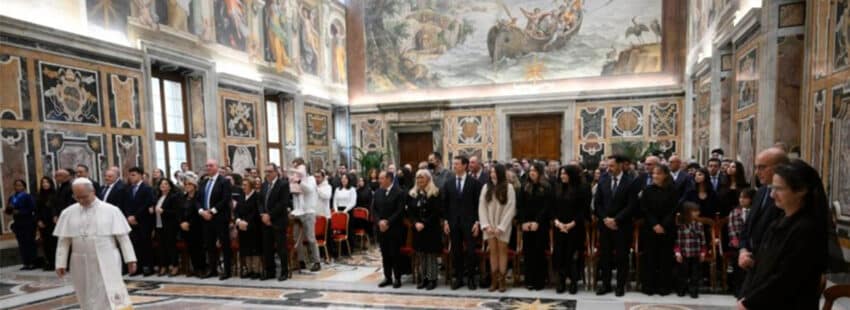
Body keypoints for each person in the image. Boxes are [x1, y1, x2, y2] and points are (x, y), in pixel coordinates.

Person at [737, 160, 829, 309]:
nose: (772, 195)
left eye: (779, 189)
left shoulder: (807, 229)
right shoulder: (780, 220)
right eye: (772, 188)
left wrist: (750, 303)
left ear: (801, 191)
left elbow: (787, 279)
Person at [54, 178, 136, 309]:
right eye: (77, 197)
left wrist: (130, 260)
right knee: (84, 292)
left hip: (107, 257)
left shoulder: (111, 210)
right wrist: (60, 263)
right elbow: (63, 241)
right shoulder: (67, 212)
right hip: (79, 261)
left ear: (93, 192)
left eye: (84, 197)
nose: (81, 201)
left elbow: (123, 238)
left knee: (107, 292)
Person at [738, 148, 789, 272]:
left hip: (773, 265)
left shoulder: (787, 197)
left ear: (779, 167)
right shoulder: (761, 192)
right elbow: (748, 225)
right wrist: (743, 250)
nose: (757, 172)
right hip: (751, 261)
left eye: (762, 167)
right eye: (756, 167)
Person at [594, 155, 636, 297]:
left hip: (622, 226)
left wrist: (616, 220)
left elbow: (631, 205)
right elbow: (597, 204)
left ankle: (620, 286)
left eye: (611, 166)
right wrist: (606, 219)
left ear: (619, 165)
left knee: (621, 257)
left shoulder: (630, 182)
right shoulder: (603, 180)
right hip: (605, 226)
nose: (608, 168)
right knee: (605, 257)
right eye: (608, 165)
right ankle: (606, 285)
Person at [441, 155, 483, 290]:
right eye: (454, 164)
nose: (454, 166)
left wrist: (477, 222)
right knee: (456, 251)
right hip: (453, 223)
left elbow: (478, 204)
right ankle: (458, 278)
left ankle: (471, 278)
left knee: (471, 251)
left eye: (457, 164)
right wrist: (446, 221)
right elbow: (445, 205)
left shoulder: (475, 183)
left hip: (470, 223)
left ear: (465, 166)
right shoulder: (449, 183)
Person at [639, 164, 678, 296]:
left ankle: (664, 287)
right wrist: (655, 224)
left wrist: (663, 225)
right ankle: (648, 287)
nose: (655, 176)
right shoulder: (647, 190)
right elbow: (645, 209)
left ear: (665, 175)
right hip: (650, 228)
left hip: (667, 229)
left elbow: (673, 210)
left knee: (665, 258)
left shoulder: (673, 190)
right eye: (654, 173)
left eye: (658, 173)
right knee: (649, 257)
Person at [551, 165, 589, 294]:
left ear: (571, 175)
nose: (562, 176)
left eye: (565, 174)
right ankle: (561, 281)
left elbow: (583, 209)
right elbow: (552, 208)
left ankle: (573, 281)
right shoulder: (557, 188)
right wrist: (557, 222)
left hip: (575, 228)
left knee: (572, 255)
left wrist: (572, 224)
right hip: (559, 227)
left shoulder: (581, 189)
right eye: (561, 174)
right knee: (560, 254)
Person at [479, 164, 516, 292]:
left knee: (502, 251)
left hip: (502, 226)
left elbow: (510, 208)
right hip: (489, 225)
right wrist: (486, 225)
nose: (492, 174)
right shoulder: (485, 187)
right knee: (492, 252)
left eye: (494, 172)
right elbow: (482, 207)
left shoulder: (509, 187)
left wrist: (501, 227)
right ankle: (494, 280)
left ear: (500, 173)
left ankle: (502, 280)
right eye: (491, 172)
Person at [517, 162, 551, 291]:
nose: (532, 173)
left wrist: (537, 222)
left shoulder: (546, 187)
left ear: (540, 173)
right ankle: (529, 280)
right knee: (528, 253)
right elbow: (520, 206)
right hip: (527, 225)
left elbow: (546, 207)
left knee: (539, 253)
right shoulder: (524, 186)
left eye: (534, 171)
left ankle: (539, 281)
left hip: (540, 225)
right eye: (530, 170)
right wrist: (524, 222)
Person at [197, 159, 233, 280]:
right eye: (207, 166)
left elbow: (225, 199)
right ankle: (213, 269)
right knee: (209, 245)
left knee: (224, 244)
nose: (208, 168)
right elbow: (197, 200)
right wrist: (202, 211)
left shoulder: (224, 181)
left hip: (219, 217)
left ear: (217, 167)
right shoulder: (203, 182)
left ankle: (227, 271)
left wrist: (212, 211)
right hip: (205, 218)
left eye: (211, 166)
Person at [408, 169, 443, 290]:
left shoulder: (435, 193)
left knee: (431, 255)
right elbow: (410, 211)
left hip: (431, 228)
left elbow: (436, 212)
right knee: (421, 254)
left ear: (428, 179)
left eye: (422, 177)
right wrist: (416, 222)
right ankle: (424, 278)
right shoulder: (413, 193)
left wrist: (424, 223)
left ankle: (432, 279)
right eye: (418, 177)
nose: (419, 180)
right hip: (418, 229)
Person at [260, 163, 292, 281]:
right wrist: (263, 214)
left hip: (278, 221)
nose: (267, 174)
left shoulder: (283, 184)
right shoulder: (264, 185)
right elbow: (260, 202)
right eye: (266, 171)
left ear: (275, 172)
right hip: (265, 221)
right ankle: (270, 271)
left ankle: (284, 272)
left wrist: (270, 215)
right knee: (267, 248)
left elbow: (283, 203)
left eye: (269, 171)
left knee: (281, 248)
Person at [374, 171, 406, 288]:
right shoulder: (378, 192)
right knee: (385, 254)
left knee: (395, 254)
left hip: (394, 228)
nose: (379, 181)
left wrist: (387, 222)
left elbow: (400, 211)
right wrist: (379, 221)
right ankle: (387, 277)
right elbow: (374, 210)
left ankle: (397, 278)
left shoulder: (399, 192)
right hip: (381, 229)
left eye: (381, 178)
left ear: (388, 179)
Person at [290, 159, 321, 272]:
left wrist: (299, 182)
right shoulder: (295, 179)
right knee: (296, 237)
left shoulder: (311, 179)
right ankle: (301, 261)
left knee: (310, 238)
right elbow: (294, 196)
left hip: (308, 211)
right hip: (298, 211)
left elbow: (308, 190)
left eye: (297, 167)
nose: (296, 170)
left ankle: (316, 261)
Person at [125, 167, 155, 276]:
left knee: (145, 244)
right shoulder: (128, 189)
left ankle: (148, 267)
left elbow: (147, 204)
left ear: (140, 175)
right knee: (135, 245)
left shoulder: (147, 188)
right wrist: (129, 216)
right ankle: (138, 267)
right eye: (130, 175)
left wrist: (135, 216)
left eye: (133, 175)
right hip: (131, 222)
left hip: (143, 221)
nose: (131, 177)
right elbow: (126, 204)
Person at [728, 188, 756, 297]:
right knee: (737, 267)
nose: (741, 200)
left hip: (752, 244)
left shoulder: (755, 211)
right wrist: (739, 245)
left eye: (745, 198)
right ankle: (737, 290)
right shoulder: (735, 212)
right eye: (740, 197)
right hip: (737, 245)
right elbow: (732, 230)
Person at [675, 202, 707, 298]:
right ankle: (681, 289)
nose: (697, 213)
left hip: (696, 253)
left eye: (697, 211)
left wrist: (703, 253)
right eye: (694, 211)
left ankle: (694, 291)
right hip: (684, 253)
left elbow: (703, 240)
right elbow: (677, 241)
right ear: (687, 212)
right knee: (682, 273)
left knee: (695, 274)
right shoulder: (681, 225)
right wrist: (677, 253)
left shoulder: (699, 225)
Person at [179, 173, 206, 277]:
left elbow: (197, 213)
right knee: (190, 248)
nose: (187, 186)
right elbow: (179, 212)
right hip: (185, 228)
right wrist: (181, 222)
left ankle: (201, 269)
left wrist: (189, 223)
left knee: (199, 249)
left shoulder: (199, 196)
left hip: (197, 226)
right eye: (186, 184)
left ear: (194, 186)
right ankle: (194, 268)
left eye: (190, 184)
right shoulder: (183, 197)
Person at [6, 180, 37, 270]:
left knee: (29, 242)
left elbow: (33, 209)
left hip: (28, 222)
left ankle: (32, 263)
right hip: (18, 223)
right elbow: (9, 211)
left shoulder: (27, 197)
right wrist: (9, 209)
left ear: (24, 187)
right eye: (16, 185)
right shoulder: (12, 197)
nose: (17, 187)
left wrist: (20, 212)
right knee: (22, 243)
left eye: (20, 185)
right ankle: (25, 263)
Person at [235, 178, 263, 279]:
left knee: (254, 249)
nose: (243, 187)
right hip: (242, 227)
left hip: (253, 227)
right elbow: (236, 211)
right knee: (246, 249)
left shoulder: (257, 196)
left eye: (245, 185)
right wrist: (238, 221)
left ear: (251, 186)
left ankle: (256, 270)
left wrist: (247, 223)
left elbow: (256, 212)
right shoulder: (241, 196)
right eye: (242, 185)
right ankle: (249, 270)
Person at [154, 178, 181, 276]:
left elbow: (176, 212)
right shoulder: (158, 197)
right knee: (161, 247)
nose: (163, 185)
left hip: (170, 226)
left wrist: (163, 211)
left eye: (165, 184)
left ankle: (175, 266)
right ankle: (164, 266)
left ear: (170, 186)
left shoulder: (173, 197)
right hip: (159, 225)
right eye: (161, 184)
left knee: (171, 246)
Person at [36, 176, 57, 271]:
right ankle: (49, 262)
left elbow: (57, 207)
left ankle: (55, 262)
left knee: (54, 242)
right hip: (43, 222)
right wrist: (38, 220)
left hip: (53, 222)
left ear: (50, 183)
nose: (45, 184)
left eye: (47, 182)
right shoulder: (39, 195)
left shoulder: (55, 194)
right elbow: (37, 210)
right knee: (46, 243)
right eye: (43, 182)